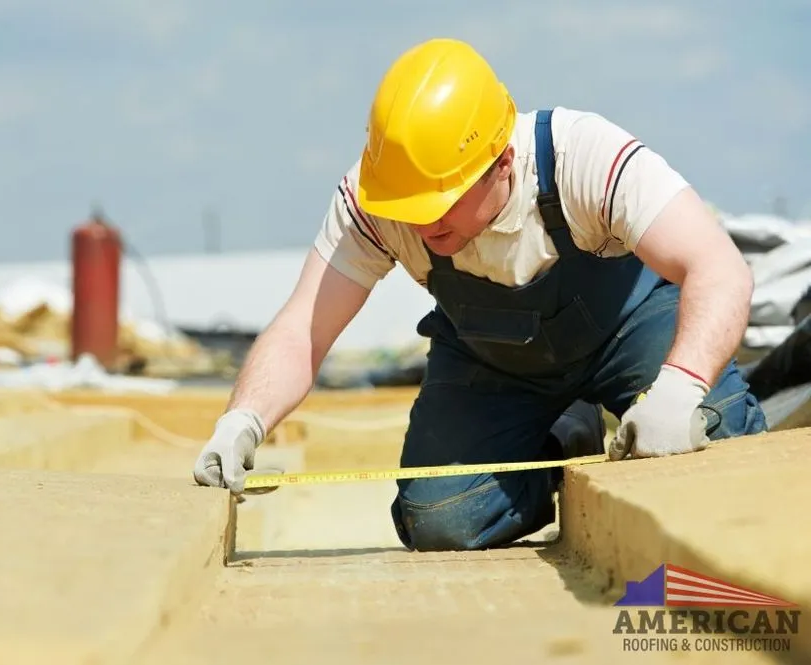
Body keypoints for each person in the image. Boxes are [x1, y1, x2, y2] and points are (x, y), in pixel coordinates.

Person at [192, 37, 768, 551]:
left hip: (627, 330)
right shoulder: (376, 198)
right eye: (409, 209)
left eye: (440, 204)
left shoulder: (583, 156)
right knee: (441, 518)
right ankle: (565, 437)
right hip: (495, 361)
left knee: (714, 434)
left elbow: (719, 268)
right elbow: (302, 329)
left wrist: (677, 391)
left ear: (503, 162)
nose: (422, 226)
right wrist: (243, 419)